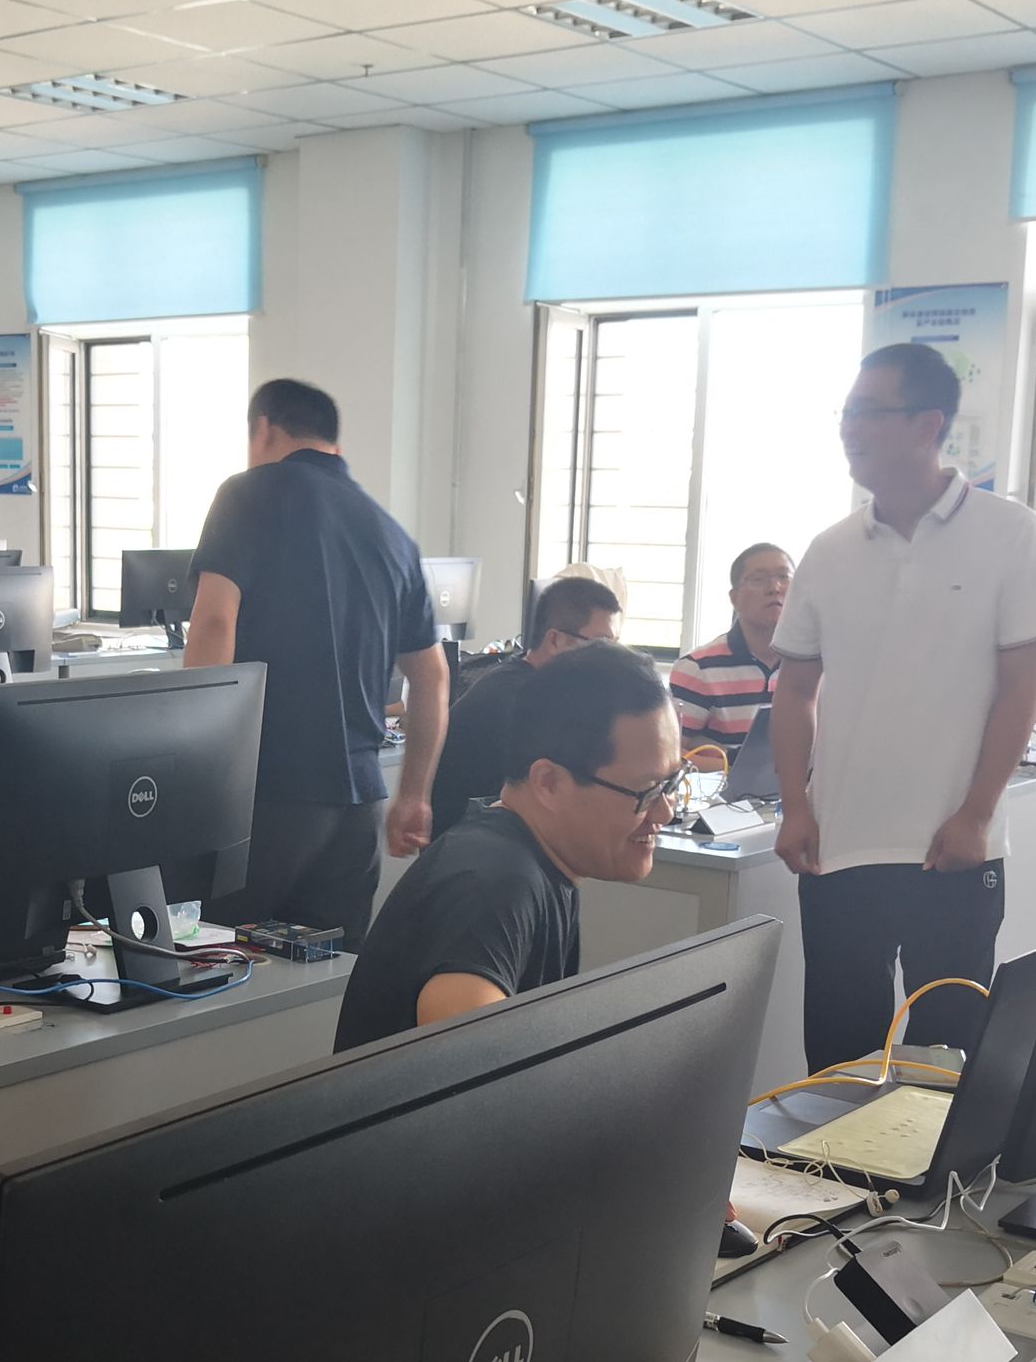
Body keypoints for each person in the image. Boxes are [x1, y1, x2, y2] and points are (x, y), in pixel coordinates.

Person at [771, 342, 1036, 1079]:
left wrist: (977, 814)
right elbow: (795, 689)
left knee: (947, 1064)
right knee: (837, 1065)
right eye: (846, 412)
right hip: (838, 850)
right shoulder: (829, 550)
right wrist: (795, 807)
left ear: (928, 424)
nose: (849, 428)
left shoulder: (1011, 534)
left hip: (953, 849)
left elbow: (1020, 690)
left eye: (868, 412)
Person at [185, 378, 448, 946]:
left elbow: (213, 624)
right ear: (334, 442)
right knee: (326, 978)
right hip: (358, 807)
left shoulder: (246, 494)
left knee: (214, 962)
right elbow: (432, 677)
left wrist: (195, 764)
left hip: (264, 795)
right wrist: (414, 795)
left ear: (263, 429)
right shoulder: (392, 534)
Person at [335, 641, 678, 1052]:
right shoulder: (492, 886)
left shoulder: (538, 861)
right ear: (549, 783)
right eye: (646, 791)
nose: (666, 812)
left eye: (671, 783)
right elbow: (479, 1063)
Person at [428, 570, 622, 835]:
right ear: (555, 640)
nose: (609, 658)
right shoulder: (517, 699)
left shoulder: (535, 683)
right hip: (473, 843)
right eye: (601, 644)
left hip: (497, 833)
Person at [671, 543, 792, 755]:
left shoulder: (815, 663)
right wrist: (732, 761)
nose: (775, 588)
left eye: (784, 577)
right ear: (734, 598)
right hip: (724, 777)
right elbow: (671, 755)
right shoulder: (698, 668)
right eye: (759, 579)